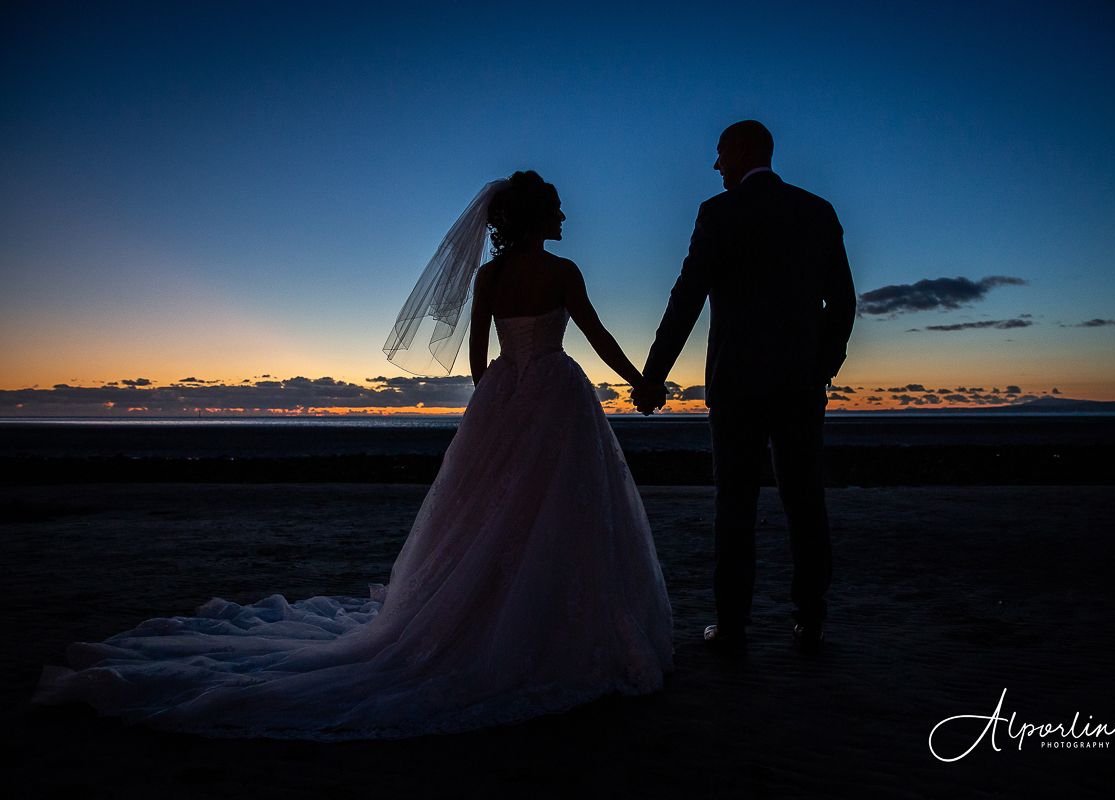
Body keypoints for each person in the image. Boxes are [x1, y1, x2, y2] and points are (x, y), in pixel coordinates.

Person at [34, 170, 674, 739]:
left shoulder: (490, 275)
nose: (565, 218)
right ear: (537, 218)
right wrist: (642, 383)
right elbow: (597, 336)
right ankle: (555, 632)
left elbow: (480, 358)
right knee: (564, 511)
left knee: (494, 516)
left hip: (507, 394)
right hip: (556, 396)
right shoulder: (563, 273)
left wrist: (501, 399)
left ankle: (497, 617)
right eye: (557, 210)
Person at [633, 120, 856, 655]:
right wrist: (821, 365)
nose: (715, 167)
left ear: (739, 152)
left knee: (735, 504)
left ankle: (732, 626)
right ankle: (810, 619)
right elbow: (843, 302)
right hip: (800, 386)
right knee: (806, 500)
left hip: (735, 386)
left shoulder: (719, 214)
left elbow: (686, 298)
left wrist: (653, 376)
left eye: (719, 155)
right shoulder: (816, 211)